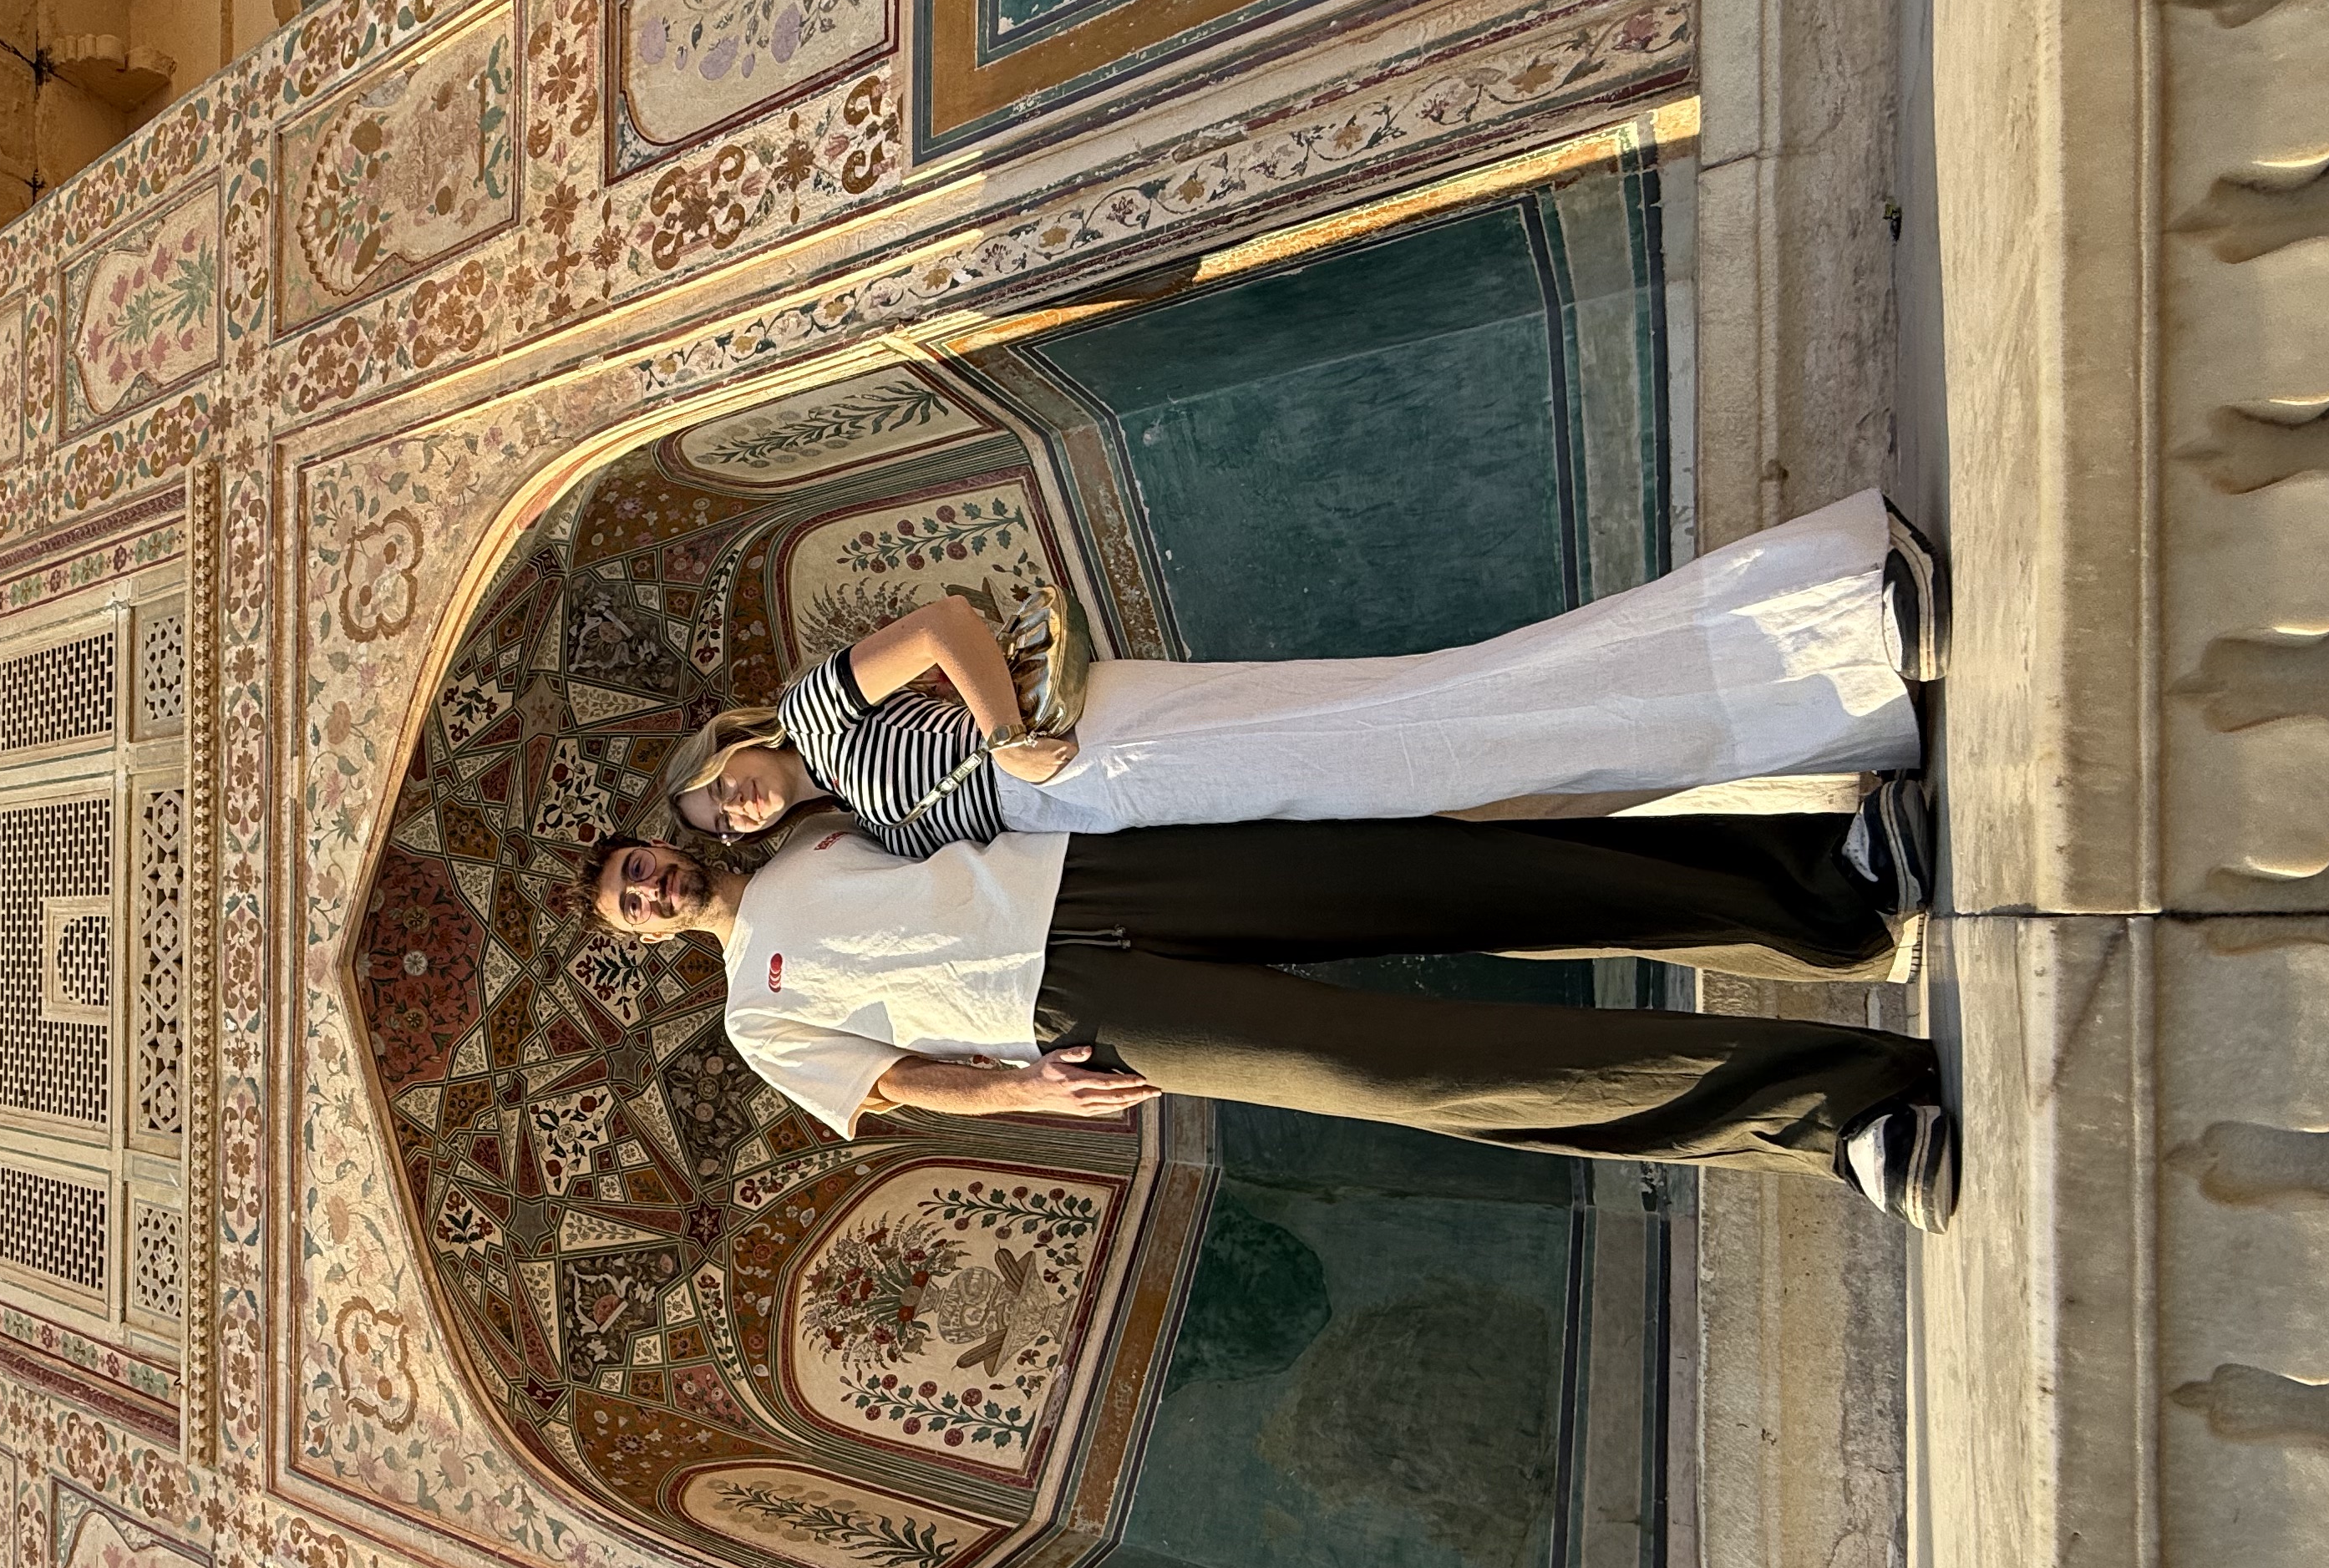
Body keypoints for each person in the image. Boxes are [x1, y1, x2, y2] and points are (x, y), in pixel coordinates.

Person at [577, 785, 1960, 1229]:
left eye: (641, 863)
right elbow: (893, 1087)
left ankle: (1831, 885)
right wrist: (1021, 1091)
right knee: (1405, 1076)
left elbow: (910, 752)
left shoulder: (810, 831)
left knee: (1439, 875)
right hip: (1073, 1007)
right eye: (635, 903)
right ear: (650, 937)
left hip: (1106, 868)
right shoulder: (756, 1017)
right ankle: (1841, 1112)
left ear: (668, 835)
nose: (651, 887)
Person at [669, 491, 1946, 858]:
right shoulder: (844, 825)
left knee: (1429, 721)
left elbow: (950, 621)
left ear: (730, 751)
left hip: (1097, 735)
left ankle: (1841, 624)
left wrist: (1004, 737)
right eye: (717, 826)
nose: (732, 809)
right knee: (1436, 759)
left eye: (712, 788)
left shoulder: (814, 708)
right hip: (1109, 798)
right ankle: (1826, 697)